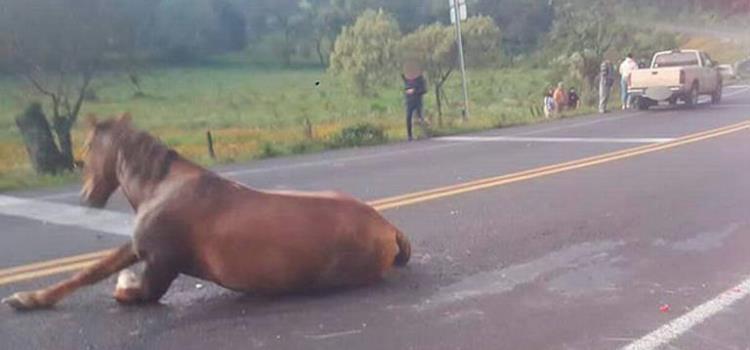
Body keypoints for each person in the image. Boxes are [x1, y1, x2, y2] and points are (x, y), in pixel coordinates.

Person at [402, 62, 427, 141]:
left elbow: (424, 90)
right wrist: (407, 91)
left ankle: (422, 133)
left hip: (417, 101)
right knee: (408, 117)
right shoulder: (407, 80)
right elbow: (406, 88)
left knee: (419, 117)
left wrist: (414, 91)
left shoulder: (420, 79)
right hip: (409, 101)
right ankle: (410, 135)